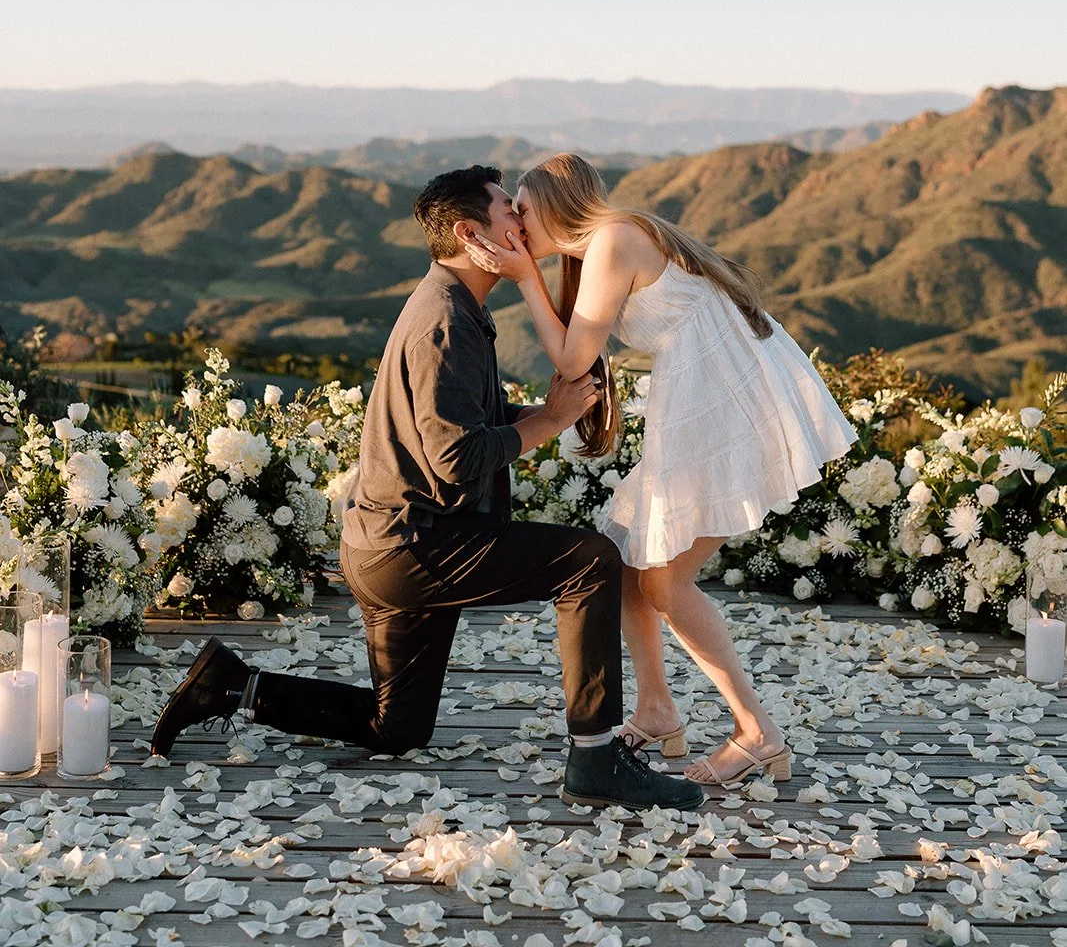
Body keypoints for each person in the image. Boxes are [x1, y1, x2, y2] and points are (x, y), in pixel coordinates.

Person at [151, 165, 702, 814]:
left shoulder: (455, 304)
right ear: (471, 234)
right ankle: (595, 758)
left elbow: (466, 426)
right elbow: (455, 458)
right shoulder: (446, 322)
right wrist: (551, 421)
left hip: (386, 544)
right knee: (591, 562)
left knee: (397, 728)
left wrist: (549, 413)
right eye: (510, 212)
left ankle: (231, 686)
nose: (524, 225)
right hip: (415, 547)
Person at [462, 153, 856, 787]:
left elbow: (572, 359)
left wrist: (526, 279)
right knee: (627, 563)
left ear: (557, 207)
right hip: (706, 396)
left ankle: (757, 734)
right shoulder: (606, 243)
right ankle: (657, 710)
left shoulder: (613, 239)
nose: (519, 224)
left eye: (525, 210)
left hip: (722, 405)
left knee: (667, 583)